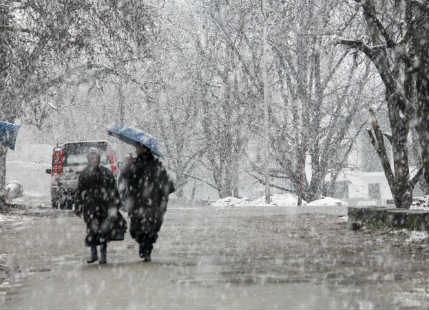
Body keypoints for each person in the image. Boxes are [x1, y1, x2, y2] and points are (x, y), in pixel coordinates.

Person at [119, 144, 175, 262]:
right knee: (135, 230)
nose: (136, 150)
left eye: (138, 148)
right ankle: (143, 245)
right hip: (137, 202)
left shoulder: (156, 165)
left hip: (152, 203)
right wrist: (127, 166)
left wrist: (160, 192)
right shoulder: (133, 164)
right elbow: (125, 177)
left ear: (145, 149)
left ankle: (146, 250)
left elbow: (168, 185)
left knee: (150, 228)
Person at [74, 147, 123, 264]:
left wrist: (116, 203)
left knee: (103, 230)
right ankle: (93, 253)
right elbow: (79, 191)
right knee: (92, 230)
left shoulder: (106, 172)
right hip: (90, 206)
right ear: (88, 159)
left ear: (99, 158)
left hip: (104, 205)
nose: (93, 159)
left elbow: (113, 189)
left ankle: (103, 255)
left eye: (95, 157)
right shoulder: (84, 174)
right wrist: (78, 205)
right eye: (91, 157)